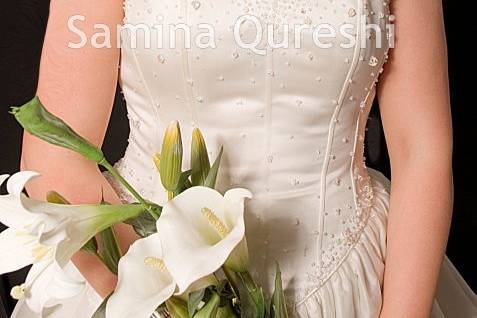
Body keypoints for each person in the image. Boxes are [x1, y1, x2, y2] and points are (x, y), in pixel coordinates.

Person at [12, 0, 477, 317]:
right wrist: (159, 303)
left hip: (352, 277)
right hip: (144, 278)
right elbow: (54, 151)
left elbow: (422, 148)